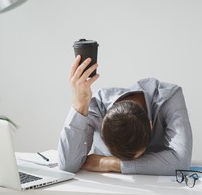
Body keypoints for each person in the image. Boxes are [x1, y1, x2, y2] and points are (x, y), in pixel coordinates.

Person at [58, 55, 193, 175]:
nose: (132, 161)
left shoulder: (168, 97)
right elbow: (68, 165)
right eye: (119, 157)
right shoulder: (95, 104)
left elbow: (181, 161)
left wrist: (112, 164)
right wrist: (79, 105)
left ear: (150, 125)